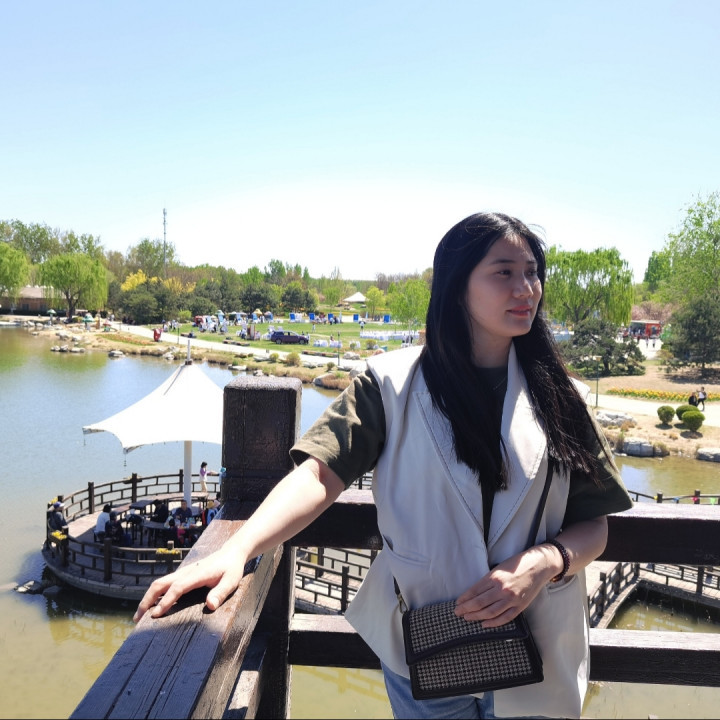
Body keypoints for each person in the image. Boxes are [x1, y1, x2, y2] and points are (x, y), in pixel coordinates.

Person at [134, 212, 633, 719]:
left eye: (532, 272)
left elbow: (595, 525)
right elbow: (318, 474)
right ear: (457, 286)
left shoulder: (560, 397)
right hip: (428, 642)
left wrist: (545, 562)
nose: (526, 288)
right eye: (504, 272)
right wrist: (238, 549)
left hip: (540, 643)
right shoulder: (390, 384)